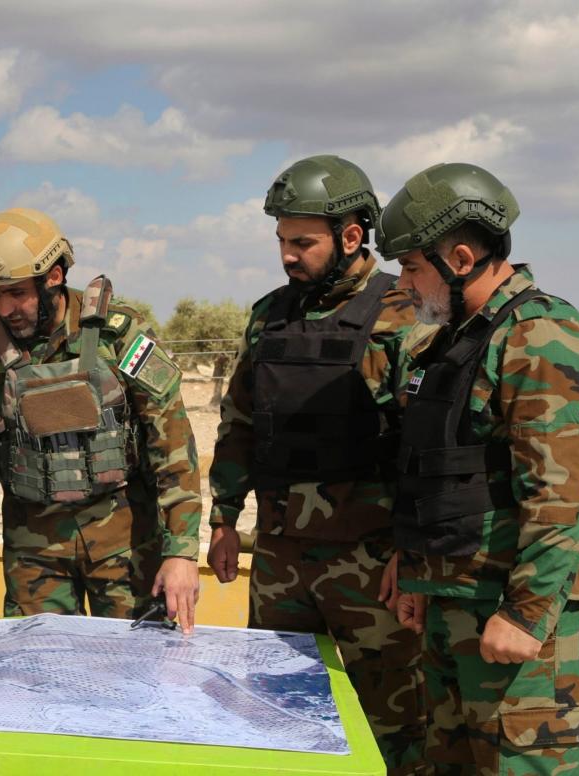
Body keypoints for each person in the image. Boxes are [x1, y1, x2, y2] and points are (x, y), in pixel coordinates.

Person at [382, 162, 579, 774]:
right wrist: (418, 570)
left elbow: (561, 495)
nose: (402, 285)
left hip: (525, 635)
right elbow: (438, 473)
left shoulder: (541, 336)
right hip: (455, 612)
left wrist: (526, 613)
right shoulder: (450, 343)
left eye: (411, 267)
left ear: (461, 258)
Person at [205, 155, 426, 773]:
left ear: (352, 237)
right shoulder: (268, 314)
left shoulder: (404, 313)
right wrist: (223, 519)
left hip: (372, 562)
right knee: (276, 715)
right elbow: (241, 423)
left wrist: (412, 550)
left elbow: (424, 445)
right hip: (279, 556)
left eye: (303, 242)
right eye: (281, 241)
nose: (287, 256)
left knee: (394, 724)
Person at [0, 207, 202, 638]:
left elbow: (172, 441)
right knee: (34, 676)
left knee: (137, 678)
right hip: (35, 556)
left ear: (53, 276)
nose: (4, 308)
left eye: (15, 293)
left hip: (127, 547)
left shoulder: (116, 336)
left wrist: (180, 551)